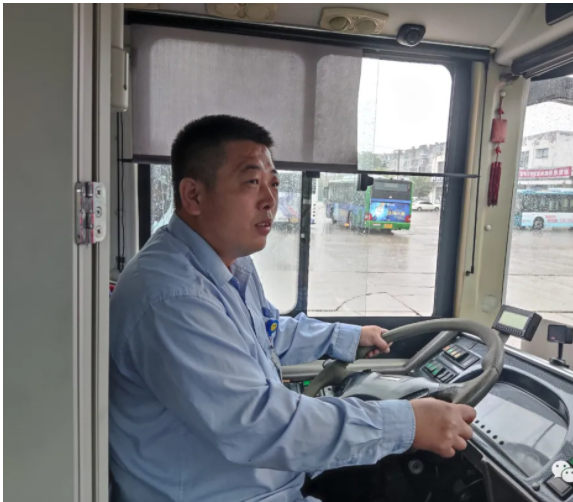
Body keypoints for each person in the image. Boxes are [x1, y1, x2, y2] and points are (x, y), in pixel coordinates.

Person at [109, 115, 476, 502]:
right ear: (193, 196)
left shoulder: (229, 264)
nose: (270, 200)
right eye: (252, 182)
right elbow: (259, 425)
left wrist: (346, 337)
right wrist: (407, 424)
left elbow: (266, 331)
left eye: (274, 183)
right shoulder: (172, 297)